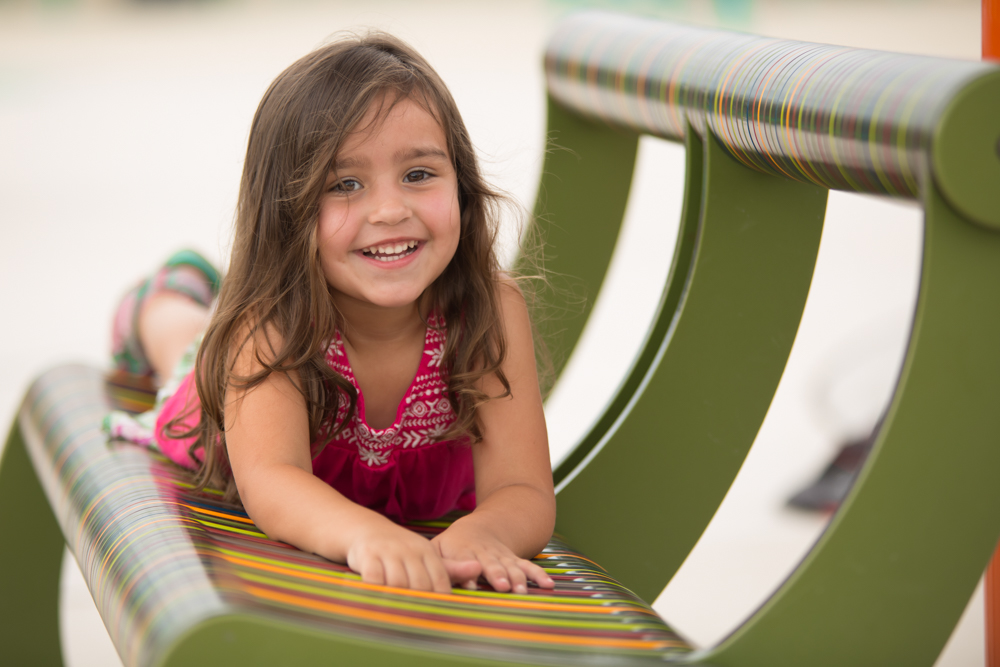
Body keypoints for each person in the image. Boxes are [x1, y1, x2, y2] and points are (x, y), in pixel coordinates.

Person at [103, 32, 556, 597]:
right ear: (287, 209)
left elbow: (524, 487)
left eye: (419, 174)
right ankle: (165, 292)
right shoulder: (269, 328)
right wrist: (364, 534)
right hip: (221, 404)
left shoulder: (488, 311)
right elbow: (273, 479)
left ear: (461, 187)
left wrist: (484, 534)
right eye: (344, 184)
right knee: (182, 340)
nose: (390, 210)